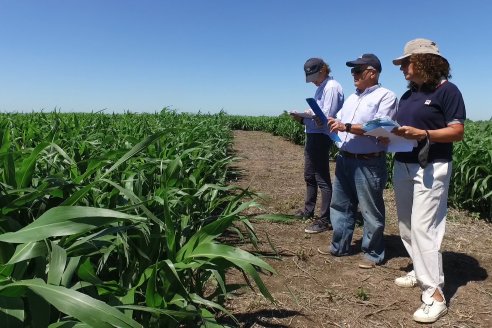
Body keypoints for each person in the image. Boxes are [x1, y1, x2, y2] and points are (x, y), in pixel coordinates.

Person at [391, 38, 466, 323]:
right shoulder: (409, 95)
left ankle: (434, 295)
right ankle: (419, 269)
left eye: (406, 63)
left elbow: (457, 131)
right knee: (407, 225)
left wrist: (424, 135)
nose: (402, 69)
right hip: (403, 165)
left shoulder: (448, 91)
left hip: (431, 166)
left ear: (423, 62)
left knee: (425, 227)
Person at [324, 54, 397, 269]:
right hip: (345, 157)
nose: (353, 75)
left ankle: (373, 253)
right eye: (353, 71)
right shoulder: (352, 97)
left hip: (368, 162)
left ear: (372, 73)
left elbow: (380, 128)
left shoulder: (386, 96)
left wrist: (346, 126)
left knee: (369, 209)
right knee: (340, 205)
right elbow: (341, 121)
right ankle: (340, 246)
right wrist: (331, 121)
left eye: (357, 71)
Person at [290, 58, 344, 234]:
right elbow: (317, 113)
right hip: (312, 135)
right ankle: (308, 210)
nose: (312, 81)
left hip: (322, 136)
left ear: (323, 70)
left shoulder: (332, 87)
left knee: (321, 177)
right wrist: (304, 116)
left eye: (314, 76)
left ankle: (325, 218)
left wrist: (305, 118)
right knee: (309, 175)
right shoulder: (322, 88)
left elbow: (325, 118)